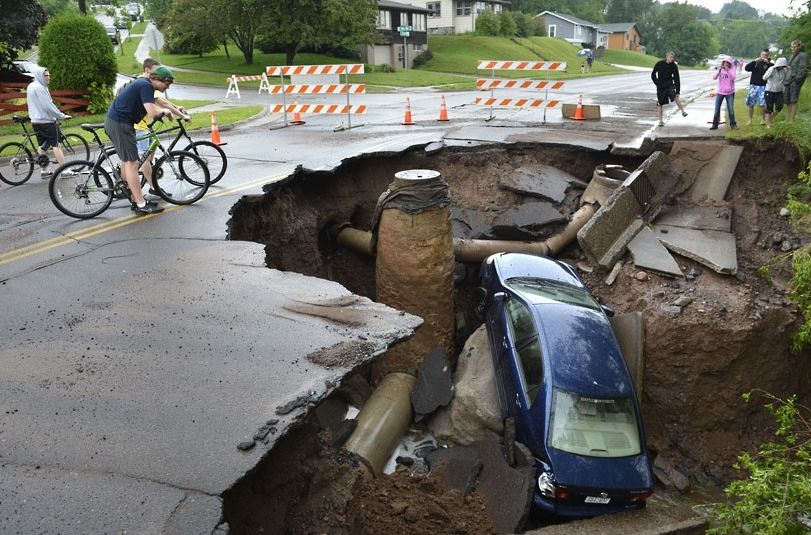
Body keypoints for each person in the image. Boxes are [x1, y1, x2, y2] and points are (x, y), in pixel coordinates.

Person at [104, 65, 176, 214]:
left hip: (117, 122)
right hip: (120, 124)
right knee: (132, 164)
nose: (167, 88)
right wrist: (165, 111)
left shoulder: (143, 84)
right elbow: (152, 113)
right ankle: (141, 204)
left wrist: (165, 110)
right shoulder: (146, 86)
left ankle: (133, 197)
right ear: (157, 79)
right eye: (166, 84)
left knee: (127, 162)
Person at [132, 59, 186, 196]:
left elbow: (162, 101)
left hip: (144, 124)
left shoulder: (147, 84)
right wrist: (180, 114)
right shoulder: (146, 84)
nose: (157, 73)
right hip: (138, 126)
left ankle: (149, 176)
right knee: (143, 158)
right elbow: (162, 103)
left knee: (149, 157)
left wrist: (175, 107)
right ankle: (153, 187)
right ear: (147, 70)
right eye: (155, 70)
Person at [26, 67, 71, 178]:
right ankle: (64, 171)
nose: (48, 77)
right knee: (56, 144)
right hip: (46, 121)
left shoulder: (31, 86)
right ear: (39, 76)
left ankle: (44, 170)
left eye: (48, 75)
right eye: (45, 75)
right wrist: (61, 115)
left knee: (42, 146)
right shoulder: (40, 88)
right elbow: (48, 106)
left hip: (36, 121)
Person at [651, 51, 688, 127]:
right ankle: (661, 121)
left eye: (672, 57)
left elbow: (677, 78)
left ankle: (683, 111)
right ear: (667, 57)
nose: (672, 59)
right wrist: (657, 82)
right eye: (670, 57)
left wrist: (678, 91)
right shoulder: (659, 64)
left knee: (675, 96)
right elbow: (653, 74)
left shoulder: (673, 66)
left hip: (669, 85)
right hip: (661, 86)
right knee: (660, 103)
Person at [744, 49, 772, 126]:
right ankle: (750, 120)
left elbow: (774, 68)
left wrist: (767, 62)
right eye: (763, 55)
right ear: (760, 55)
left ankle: (762, 120)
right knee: (751, 103)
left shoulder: (769, 64)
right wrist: (754, 61)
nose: (764, 56)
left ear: (768, 56)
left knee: (762, 104)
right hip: (754, 85)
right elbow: (747, 68)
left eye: (766, 55)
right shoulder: (756, 62)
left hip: (763, 86)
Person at [711, 55, 737, 130]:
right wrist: (719, 71)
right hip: (720, 92)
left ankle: (733, 125)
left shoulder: (732, 69)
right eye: (724, 62)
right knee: (717, 109)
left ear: (730, 63)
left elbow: (733, 78)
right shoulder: (721, 70)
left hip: (730, 92)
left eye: (727, 62)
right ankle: (714, 124)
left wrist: (728, 70)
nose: (725, 64)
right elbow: (714, 78)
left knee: (730, 109)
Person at [763, 57, 789, 128]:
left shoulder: (784, 71)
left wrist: (789, 70)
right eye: (781, 65)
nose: (782, 67)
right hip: (769, 91)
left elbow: (787, 79)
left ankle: (770, 119)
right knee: (769, 108)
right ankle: (768, 124)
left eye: (783, 65)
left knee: (780, 106)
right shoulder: (771, 69)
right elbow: (764, 78)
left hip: (779, 91)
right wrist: (770, 73)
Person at [785, 40, 807, 123]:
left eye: (794, 47)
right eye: (792, 47)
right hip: (788, 80)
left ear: (799, 47)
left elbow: (803, 68)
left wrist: (797, 79)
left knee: (793, 100)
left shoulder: (803, 55)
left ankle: (791, 120)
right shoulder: (791, 56)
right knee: (787, 101)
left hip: (795, 81)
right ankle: (787, 119)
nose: (793, 48)